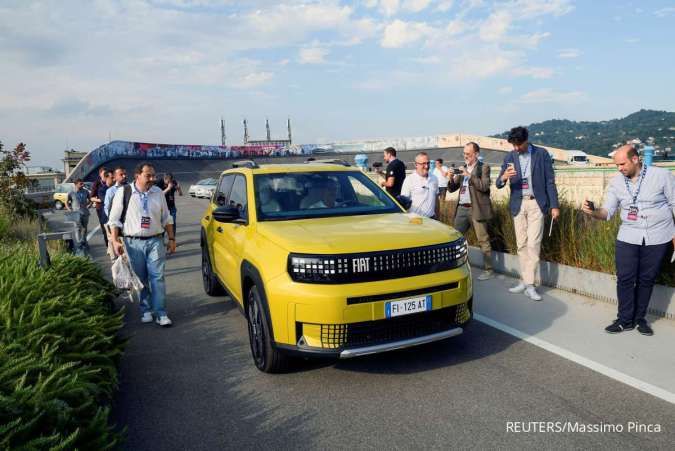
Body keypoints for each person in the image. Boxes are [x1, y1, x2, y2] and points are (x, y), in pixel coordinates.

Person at [582, 145, 675, 335]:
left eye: (622, 164)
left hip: (658, 236)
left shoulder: (662, 175)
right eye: (616, 165)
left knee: (646, 279)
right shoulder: (616, 183)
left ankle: (640, 319)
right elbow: (607, 212)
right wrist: (593, 212)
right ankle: (624, 320)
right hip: (628, 236)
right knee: (625, 278)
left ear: (635, 159)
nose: (619, 168)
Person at [496, 126, 560, 301]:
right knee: (521, 245)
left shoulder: (541, 154)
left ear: (526, 140)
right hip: (518, 204)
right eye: (514, 145)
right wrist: (504, 177)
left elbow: (549, 181)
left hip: (536, 204)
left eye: (519, 144)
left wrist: (554, 205)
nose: (516, 148)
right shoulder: (510, 156)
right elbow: (498, 184)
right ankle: (525, 281)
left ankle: (530, 284)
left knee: (534, 244)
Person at [108, 163, 175, 327]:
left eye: (153, 175)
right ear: (137, 176)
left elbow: (166, 217)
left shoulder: (158, 192)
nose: (152, 179)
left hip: (155, 240)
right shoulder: (124, 192)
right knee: (141, 278)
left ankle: (161, 313)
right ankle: (146, 310)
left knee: (157, 277)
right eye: (148, 176)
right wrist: (115, 241)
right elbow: (114, 219)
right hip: (133, 243)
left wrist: (172, 239)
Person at [448, 142, 494, 280]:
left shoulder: (483, 167)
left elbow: (485, 186)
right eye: (464, 153)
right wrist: (450, 177)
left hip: (476, 208)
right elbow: (451, 188)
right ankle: (453, 266)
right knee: (455, 238)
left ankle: (489, 269)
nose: (465, 156)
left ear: (476, 154)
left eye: (468, 154)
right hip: (462, 208)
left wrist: (469, 175)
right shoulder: (463, 168)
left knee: (483, 239)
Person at [400, 152, 438, 218]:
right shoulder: (409, 180)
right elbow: (403, 203)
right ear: (416, 165)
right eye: (423, 163)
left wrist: (438, 216)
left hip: (432, 219)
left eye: (428, 163)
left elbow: (436, 199)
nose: (426, 166)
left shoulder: (434, 178)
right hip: (415, 220)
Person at [66, 179, 91, 249]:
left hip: (85, 213)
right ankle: (79, 243)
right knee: (77, 229)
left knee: (85, 228)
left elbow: (90, 199)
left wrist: (89, 205)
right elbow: (66, 202)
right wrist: (70, 210)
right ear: (76, 184)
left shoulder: (86, 191)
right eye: (81, 184)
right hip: (76, 213)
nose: (82, 185)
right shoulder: (71, 193)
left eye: (82, 183)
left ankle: (84, 241)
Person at [89, 166, 109, 245]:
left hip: (110, 207)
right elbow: (91, 198)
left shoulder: (110, 182)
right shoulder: (97, 184)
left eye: (107, 174)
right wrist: (100, 200)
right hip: (100, 208)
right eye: (104, 174)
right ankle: (107, 245)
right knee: (104, 227)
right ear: (100, 174)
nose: (106, 175)